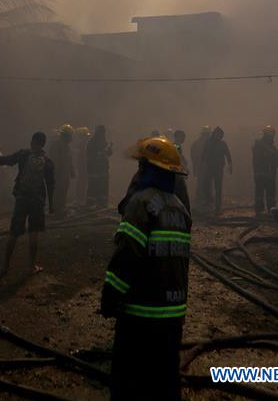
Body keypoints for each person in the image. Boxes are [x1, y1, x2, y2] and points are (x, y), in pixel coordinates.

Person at [101, 136, 191, 401]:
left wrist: (110, 297)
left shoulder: (140, 204)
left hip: (141, 314)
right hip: (173, 315)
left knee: (127, 383)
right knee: (165, 383)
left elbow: (127, 255)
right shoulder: (181, 210)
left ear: (145, 168)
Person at [0, 132, 54, 276]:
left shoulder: (23, 154)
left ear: (32, 141)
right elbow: (50, 184)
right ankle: (31, 266)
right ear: (43, 144)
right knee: (34, 234)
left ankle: (5, 267)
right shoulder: (48, 162)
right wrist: (51, 204)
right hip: (37, 201)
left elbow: (3, 161)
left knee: (14, 233)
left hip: (22, 199)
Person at [200, 127, 232, 217]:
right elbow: (203, 155)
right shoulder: (208, 143)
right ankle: (208, 204)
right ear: (214, 134)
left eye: (220, 135)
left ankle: (217, 208)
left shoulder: (223, 144)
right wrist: (202, 167)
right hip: (209, 168)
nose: (218, 136)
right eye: (217, 134)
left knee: (218, 189)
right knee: (207, 187)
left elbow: (228, 155)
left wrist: (230, 165)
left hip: (219, 169)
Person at [49, 124, 75, 218]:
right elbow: (54, 160)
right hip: (58, 174)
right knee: (57, 192)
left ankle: (61, 208)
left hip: (65, 174)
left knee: (63, 191)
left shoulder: (66, 146)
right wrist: (56, 173)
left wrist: (72, 171)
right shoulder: (57, 145)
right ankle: (56, 210)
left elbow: (69, 159)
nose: (71, 138)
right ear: (65, 135)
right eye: (70, 135)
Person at [252, 125, 278, 217]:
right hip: (266, 173)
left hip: (262, 173)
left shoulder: (259, 145)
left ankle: (261, 211)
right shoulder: (265, 147)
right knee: (269, 194)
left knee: (261, 193)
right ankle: (269, 212)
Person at [86, 125, 113, 207]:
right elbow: (89, 154)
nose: (102, 134)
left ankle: (102, 202)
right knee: (93, 185)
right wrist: (98, 154)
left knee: (103, 185)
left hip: (103, 168)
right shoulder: (92, 142)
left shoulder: (104, 141)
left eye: (103, 132)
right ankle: (90, 203)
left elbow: (108, 154)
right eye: (100, 132)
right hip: (95, 168)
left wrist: (109, 150)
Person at [74, 127, 91, 207]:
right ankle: (80, 199)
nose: (87, 137)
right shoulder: (82, 144)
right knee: (82, 182)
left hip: (84, 166)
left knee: (83, 182)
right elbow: (81, 157)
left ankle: (81, 199)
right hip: (83, 166)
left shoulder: (83, 144)